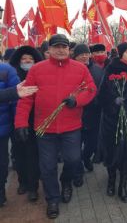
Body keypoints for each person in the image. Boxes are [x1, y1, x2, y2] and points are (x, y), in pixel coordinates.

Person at [14, 34, 96, 219]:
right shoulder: (36, 69)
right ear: (49, 50)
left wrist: (76, 100)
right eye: (56, 46)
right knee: (47, 166)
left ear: (69, 50)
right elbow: (26, 98)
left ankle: (66, 181)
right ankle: (52, 199)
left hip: (71, 126)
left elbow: (90, 89)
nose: (60, 50)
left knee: (74, 160)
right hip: (45, 128)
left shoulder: (80, 69)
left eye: (64, 47)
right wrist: (20, 123)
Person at [98, 42, 127, 202]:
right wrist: (113, 101)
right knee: (113, 152)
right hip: (113, 119)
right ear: (121, 54)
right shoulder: (111, 69)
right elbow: (101, 94)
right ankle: (111, 181)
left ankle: (123, 185)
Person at [9, 46, 43, 202]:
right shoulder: (12, 75)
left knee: (33, 155)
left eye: (30, 59)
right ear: (18, 61)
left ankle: (33, 186)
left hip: (35, 121)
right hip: (15, 121)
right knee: (18, 154)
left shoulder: (40, 74)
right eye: (24, 59)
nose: (27, 61)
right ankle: (22, 182)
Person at [73, 44, 103, 183]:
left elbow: (102, 89)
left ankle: (86, 157)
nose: (84, 56)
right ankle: (78, 171)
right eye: (81, 55)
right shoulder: (71, 70)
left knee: (91, 143)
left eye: (86, 54)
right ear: (76, 57)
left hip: (94, 113)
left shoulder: (97, 70)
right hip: (75, 113)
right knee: (75, 146)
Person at [0, 61, 21, 207]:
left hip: (2, 128)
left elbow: (16, 101)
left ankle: (1, 191)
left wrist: (18, 124)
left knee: (1, 163)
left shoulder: (6, 71)